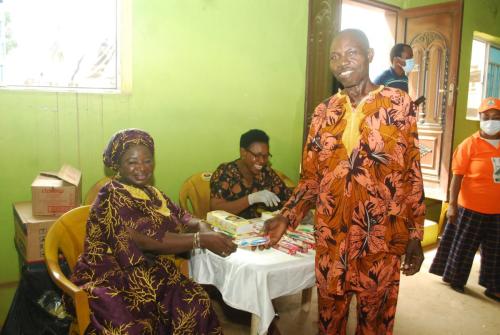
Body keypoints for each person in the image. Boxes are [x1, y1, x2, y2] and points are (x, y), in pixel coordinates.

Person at [264, 29, 426, 334]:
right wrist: (287, 216)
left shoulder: (398, 104)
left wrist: (414, 232)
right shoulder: (323, 112)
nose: (342, 62)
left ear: (369, 55)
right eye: (334, 56)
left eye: (351, 53)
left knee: (375, 321)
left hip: (381, 236)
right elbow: (311, 177)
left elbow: (410, 173)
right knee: (330, 320)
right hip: (332, 238)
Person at [70, 129, 237, 334]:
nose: (141, 168)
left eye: (147, 161)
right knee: (133, 326)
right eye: (132, 162)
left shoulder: (152, 192)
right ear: (118, 165)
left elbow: (185, 217)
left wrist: (202, 226)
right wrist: (201, 239)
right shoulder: (112, 196)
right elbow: (147, 241)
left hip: (149, 269)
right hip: (111, 275)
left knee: (196, 302)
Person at [429, 97, 500, 302]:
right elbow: (456, 177)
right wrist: (452, 206)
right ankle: (455, 279)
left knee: (496, 251)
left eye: (496, 117)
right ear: (479, 118)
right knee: (464, 246)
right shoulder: (469, 145)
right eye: (486, 117)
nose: (490, 121)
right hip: (471, 207)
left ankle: (493, 286)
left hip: (497, 209)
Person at [210, 129, 292, 219]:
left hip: (257, 229)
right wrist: (250, 199)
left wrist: (298, 211)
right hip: (229, 230)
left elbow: (288, 198)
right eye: (256, 155)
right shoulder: (225, 172)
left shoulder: (266, 172)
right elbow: (215, 209)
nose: (262, 161)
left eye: (265, 156)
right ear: (243, 153)